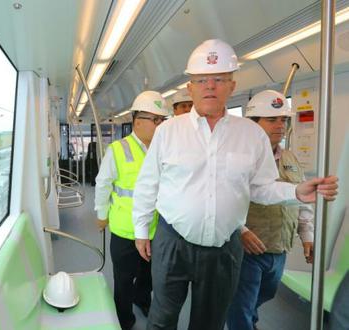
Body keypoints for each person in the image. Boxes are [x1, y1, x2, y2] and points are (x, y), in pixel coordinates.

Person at [131, 39, 338, 330]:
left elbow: (261, 187)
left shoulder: (251, 136)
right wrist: (141, 231)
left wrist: (295, 192)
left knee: (210, 323)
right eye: (201, 80)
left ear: (232, 86)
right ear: (190, 87)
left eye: (219, 79)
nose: (210, 86)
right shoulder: (168, 132)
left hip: (224, 247)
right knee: (162, 319)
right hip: (172, 242)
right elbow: (147, 185)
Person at [226, 90, 315, 330]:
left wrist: (307, 236)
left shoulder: (291, 158)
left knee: (263, 296)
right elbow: (222, 200)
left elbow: (301, 199)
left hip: (279, 248)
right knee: (241, 306)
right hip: (247, 249)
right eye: (271, 119)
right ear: (253, 124)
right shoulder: (239, 159)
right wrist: (240, 230)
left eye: (283, 120)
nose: (280, 125)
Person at [94, 91, 168, 329]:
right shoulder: (117, 150)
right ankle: (124, 319)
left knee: (148, 275)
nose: (160, 125)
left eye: (162, 120)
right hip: (125, 231)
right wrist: (101, 215)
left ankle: (142, 299)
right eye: (155, 120)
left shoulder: (165, 150)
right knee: (124, 280)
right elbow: (103, 184)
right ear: (137, 122)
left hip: (156, 230)